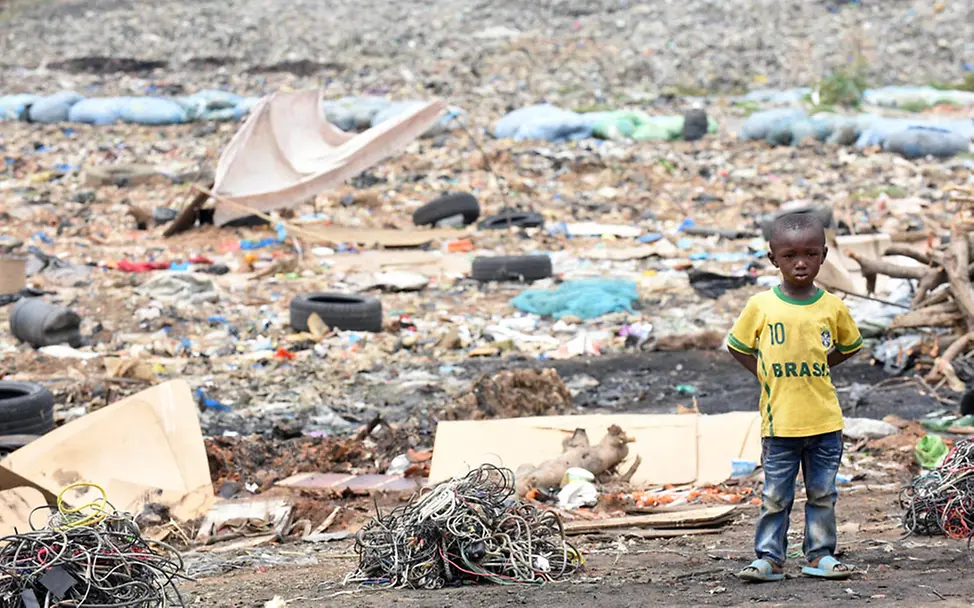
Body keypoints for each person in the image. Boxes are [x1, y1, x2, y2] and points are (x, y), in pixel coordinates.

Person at [727, 212, 862, 582]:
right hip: (780, 424)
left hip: (824, 423)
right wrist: (764, 373)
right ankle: (769, 559)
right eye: (789, 256)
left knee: (822, 495)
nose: (800, 263)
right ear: (773, 259)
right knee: (774, 497)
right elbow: (737, 346)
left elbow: (850, 345)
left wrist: (822, 365)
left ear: (823, 255)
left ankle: (819, 556)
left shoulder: (832, 306)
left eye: (810, 254)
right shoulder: (761, 306)